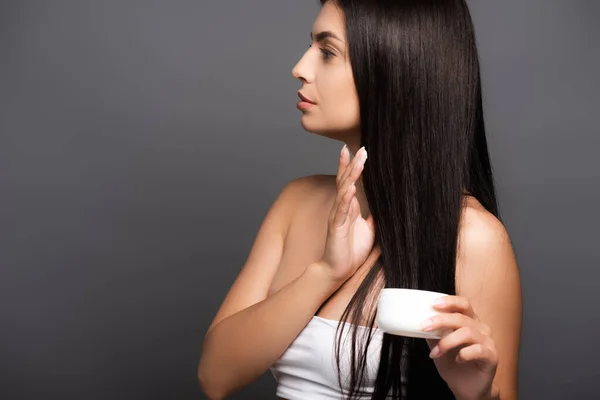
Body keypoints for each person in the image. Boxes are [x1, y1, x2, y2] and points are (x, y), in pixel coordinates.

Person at [198, 0, 522, 399]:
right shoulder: (296, 202)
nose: (300, 67)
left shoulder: (474, 239)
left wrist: (476, 395)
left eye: (327, 51)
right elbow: (215, 376)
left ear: (393, 70)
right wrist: (325, 273)